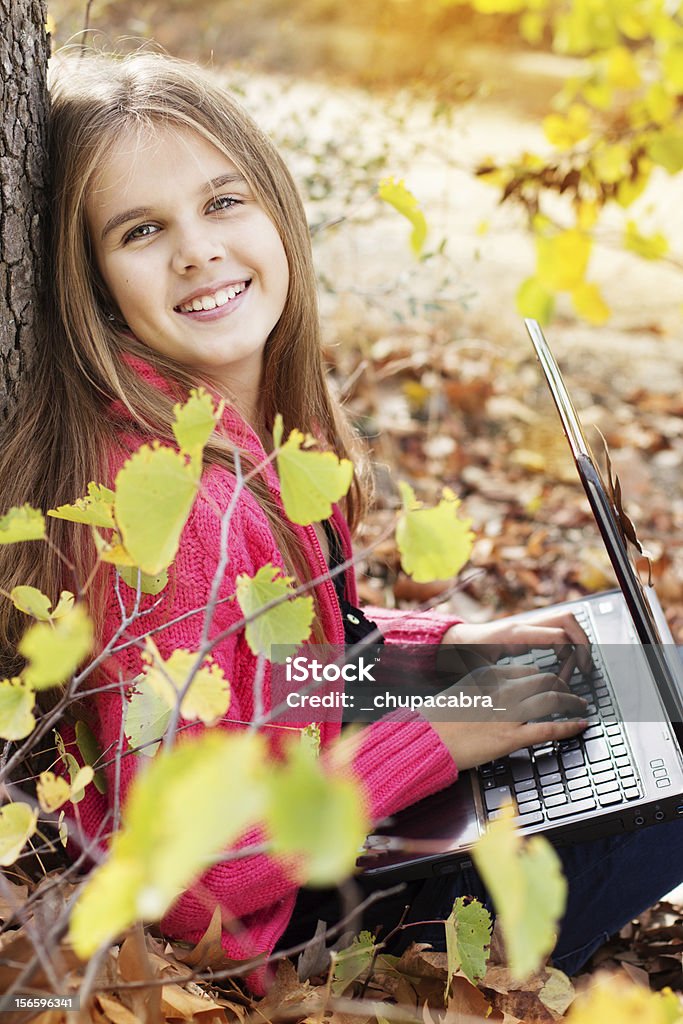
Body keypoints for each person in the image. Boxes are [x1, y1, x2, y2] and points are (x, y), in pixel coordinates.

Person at [0, 50, 680, 994]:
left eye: (223, 202)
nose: (196, 250)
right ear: (92, 285)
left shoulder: (237, 441)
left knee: (644, 701)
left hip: (306, 819)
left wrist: (449, 654)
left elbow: (268, 676)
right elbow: (189, 879)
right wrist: (437, 735)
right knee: (669, 795)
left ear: (278, 208)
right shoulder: (174, 508)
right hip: (267, 941)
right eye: (142, 229)